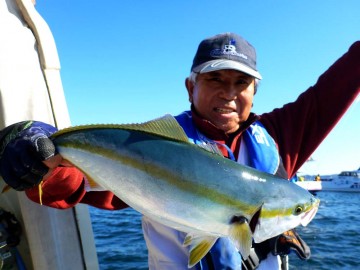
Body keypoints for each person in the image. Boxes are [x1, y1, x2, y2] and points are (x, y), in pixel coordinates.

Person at [0, 32, 359, 269]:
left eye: (241, 82)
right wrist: (39, 157)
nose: (228, 92)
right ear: (191, 87)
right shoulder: (149, 150)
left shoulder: (281, 136)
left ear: (255, 90)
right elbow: (76, 184)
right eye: (214, 79)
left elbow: (339, 84)